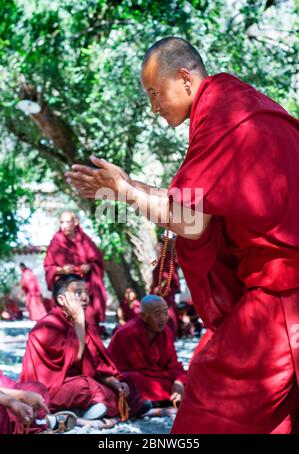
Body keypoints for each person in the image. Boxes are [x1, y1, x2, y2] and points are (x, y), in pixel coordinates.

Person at [65, 36, 299, 433]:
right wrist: (126, 187)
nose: (154, 108)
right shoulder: (237, 107)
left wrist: (123, 192)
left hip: (283, 295)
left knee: (211, 405)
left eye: (156, 94)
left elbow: (191, 220)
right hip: (278, 290)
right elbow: (198, 204)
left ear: (186, 80)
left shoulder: (226, 117)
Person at [19, 274, 149, 420]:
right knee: (85, 387)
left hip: (79, 380)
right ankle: (92, 409)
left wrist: (115, 383)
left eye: (86, 292)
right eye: (78, 293)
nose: (85, 297)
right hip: (50, 390)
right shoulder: (48, 325)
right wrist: (79, 318)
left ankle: (90, 408)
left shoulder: (83, 324)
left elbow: (97, 365)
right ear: (62, 299)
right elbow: (75, 358)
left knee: (127, 382)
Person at [108, 295, 186, 406]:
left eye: (165, 312)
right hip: (140, 379)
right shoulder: (126, 333)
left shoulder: (166, 332)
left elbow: (173, 365)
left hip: (159, 378)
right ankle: (166, 398)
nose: (163, 318)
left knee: (192, 377)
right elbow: (115, 370)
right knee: (131, 380)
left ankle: (158, 399)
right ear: (143, 316)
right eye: (157, 314)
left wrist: (178, 381)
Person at [44, 211, 107, 327]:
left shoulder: (84, 240)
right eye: (62, 222)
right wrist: (62, 270)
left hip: (84, 287)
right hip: (65, 289)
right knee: (66, 323)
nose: (65, 225)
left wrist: (89, 266)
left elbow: (97, 261)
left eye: (68, 222)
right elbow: (48, 267)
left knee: (88, 321)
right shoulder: (56, 241)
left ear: (76, 222)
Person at [151, 240, 180, 336]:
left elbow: (168, 275)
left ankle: (169, 333)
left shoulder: (167, 258)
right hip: (161, 290)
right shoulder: (161, 258)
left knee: (167, 311)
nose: (157, 248)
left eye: (159, 246)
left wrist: (159, 287)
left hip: (165, 290)